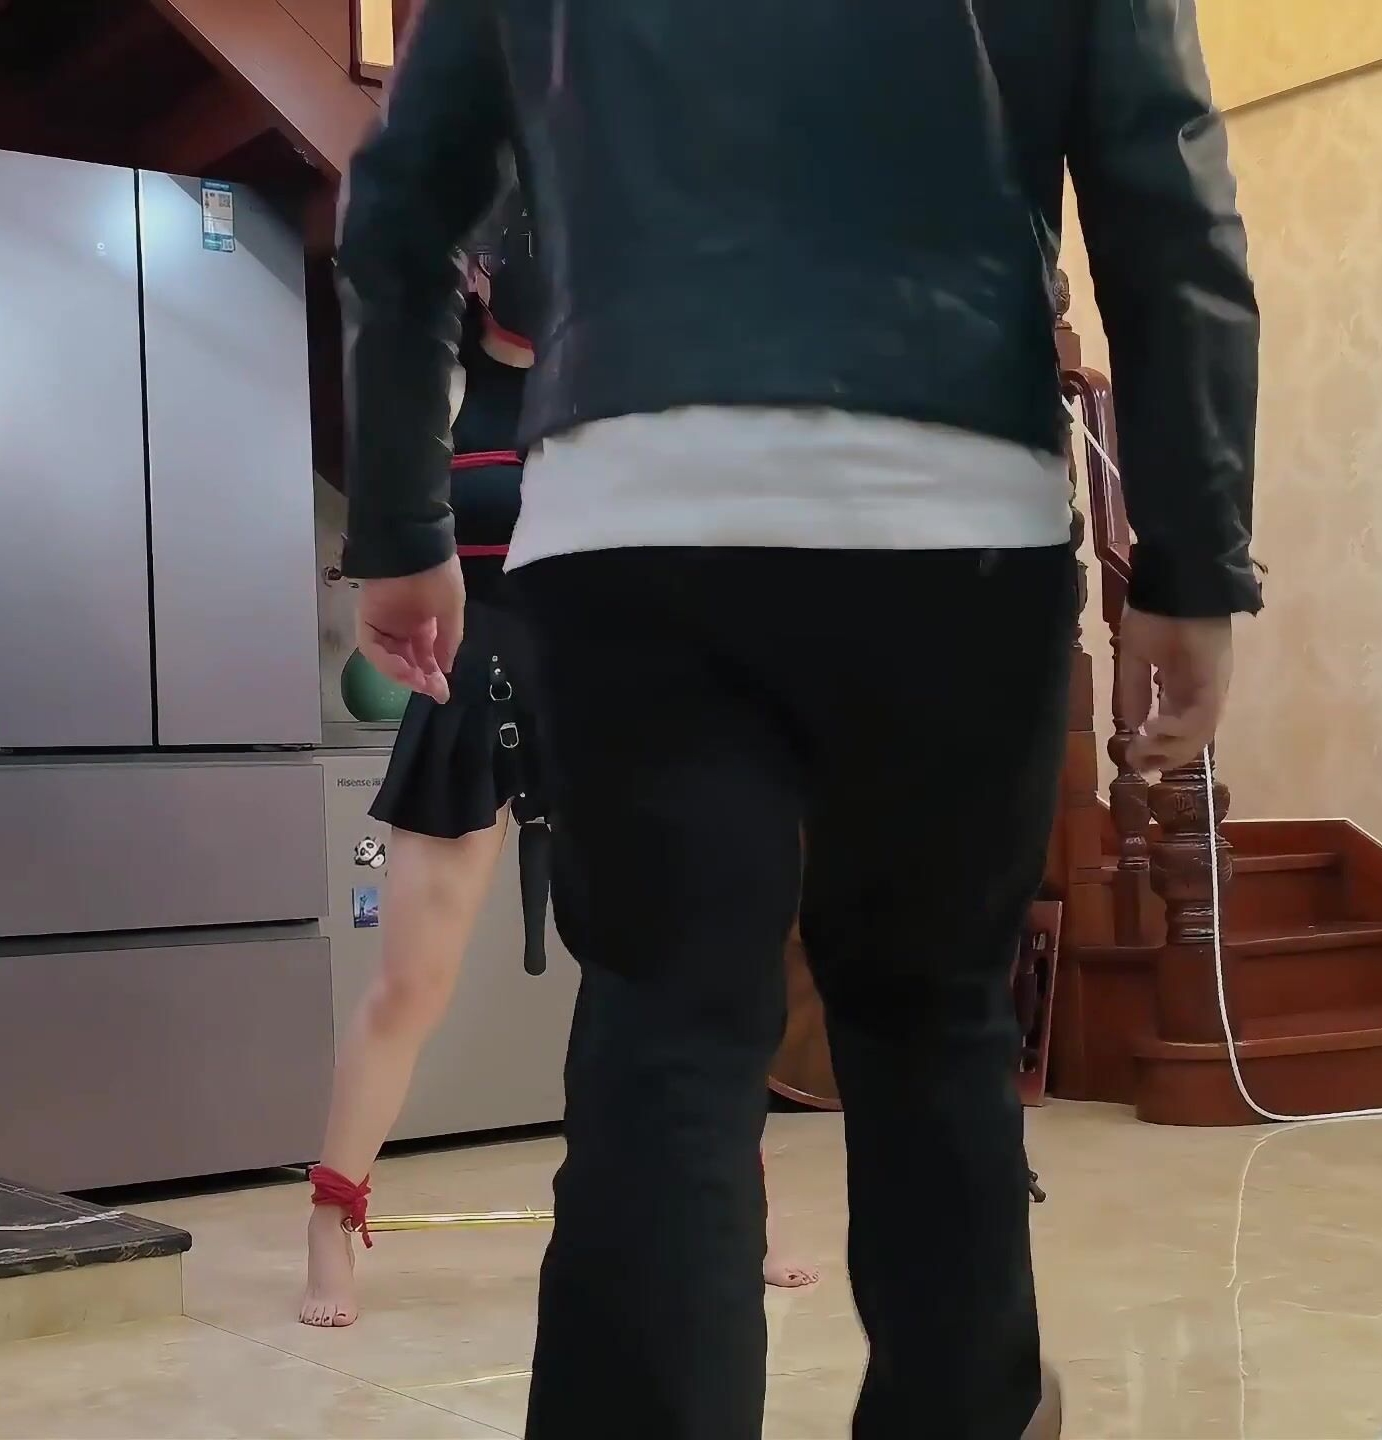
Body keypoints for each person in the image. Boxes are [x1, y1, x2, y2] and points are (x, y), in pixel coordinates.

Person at [334, 3, 1259, 1437]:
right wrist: (1192, 558)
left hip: (632, 504)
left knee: (664, 1029)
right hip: (954, 505)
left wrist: (402, 520)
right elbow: (1165, 191)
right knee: (932, 1021)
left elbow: (405, 198)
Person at [301, 194, 818, 1329]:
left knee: (680, 980)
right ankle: (331, 1224)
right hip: (469, 692)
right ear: (478, 273)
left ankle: (741, 1212)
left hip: (616, 698)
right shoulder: (437, 390)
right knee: (409, 984)